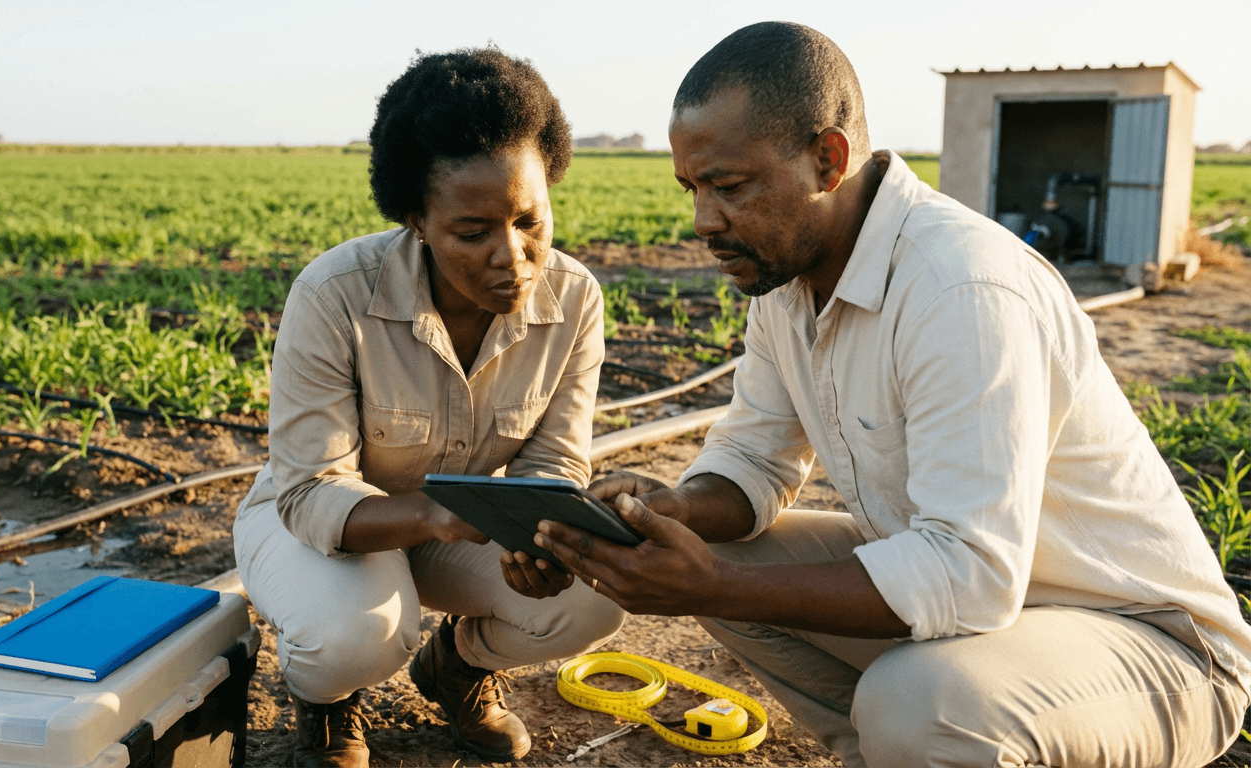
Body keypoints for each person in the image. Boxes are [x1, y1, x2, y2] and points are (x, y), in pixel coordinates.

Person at [534, 21, 1251, 768]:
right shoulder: (784, 285)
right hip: (998, 617)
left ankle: (923, 742)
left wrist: (713, 585)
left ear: (827, 159)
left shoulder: (960, 288)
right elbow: (753, 457)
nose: (703, 222)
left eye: (730, 186)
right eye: (692, 189)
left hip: (1148, 646)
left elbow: (969, 575)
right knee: (720, 559)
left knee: (915, 702)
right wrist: (675, 509)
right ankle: (889, 755)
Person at [233, 47, 626, 767]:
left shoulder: (575, 300)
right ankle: (327, 706)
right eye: (473, 233)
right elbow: (309, 491)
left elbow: (554, 461)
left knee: (594, 595)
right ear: (417, 218)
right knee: (357, 634)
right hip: (323, 525)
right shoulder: (336, 294)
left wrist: (543, 537)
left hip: (462, 530)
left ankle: (460, 667)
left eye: (530, 221)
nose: (513, 256)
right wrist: (431, 514)